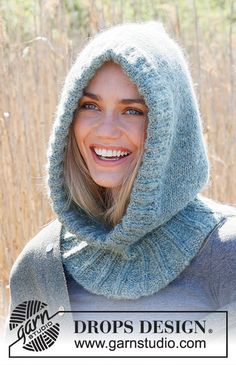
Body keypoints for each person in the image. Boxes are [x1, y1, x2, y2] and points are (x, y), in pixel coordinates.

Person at [6, 21, 236, 341]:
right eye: (90, 106)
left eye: (133, 111)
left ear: (171, 128)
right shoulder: (41, 264)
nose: (106, 130)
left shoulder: (227, 253)